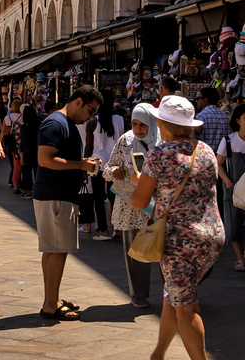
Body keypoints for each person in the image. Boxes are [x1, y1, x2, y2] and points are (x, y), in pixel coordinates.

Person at [131, 95, 225, 358]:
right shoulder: (205, 149)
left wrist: (138, 181)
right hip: (213, 234)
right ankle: (158, 354)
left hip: (178, 241)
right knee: (173, 296)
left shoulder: (158, 154)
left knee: (186, 307)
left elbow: (140, 202)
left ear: (162, 122)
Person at [34, 84, 103, 321]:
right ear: (78, 102)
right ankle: (50, 305)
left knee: (54, 250)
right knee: (57, 250)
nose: (90, 117)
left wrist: (81, 166)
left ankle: (52, 298)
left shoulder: (66, 124)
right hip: (56, 195)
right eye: (90, 111)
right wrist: (81, 165)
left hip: (59, 195)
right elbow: (45, 159)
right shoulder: (56, 123)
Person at [104, 101, 157, 307]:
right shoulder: (125, 140)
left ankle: (171, 292)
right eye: (134, 124)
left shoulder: (162, 142)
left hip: (156, 207)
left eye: (143, 125)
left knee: (164, 251)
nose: (138, 130)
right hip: (131, 206)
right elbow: (108, 168)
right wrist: (114, 171)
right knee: (135, 253)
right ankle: (138, 294)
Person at [89, 98, 126, 240]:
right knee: (115, 196)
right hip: (116, 162)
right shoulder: (119, 119)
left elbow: (88, 147)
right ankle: (117, 228)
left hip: (97, 163)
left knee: (98, 197)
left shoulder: (93, 122)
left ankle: (103, 230)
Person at [214, 102, 245, 273]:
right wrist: (227, 181)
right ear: (238, 120)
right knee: (235, 224)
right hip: (233, 190)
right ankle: (240, 259)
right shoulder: (228, 140)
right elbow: (218, 164)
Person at [17, 102, 41, 198]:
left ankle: (28, 191)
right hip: (38, 152)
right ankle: (39, 190)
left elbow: (22, 143)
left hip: (27, 153)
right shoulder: (39, 125)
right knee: (38, 172)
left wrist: (21, 156)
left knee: (26, 172)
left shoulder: (24, 127)